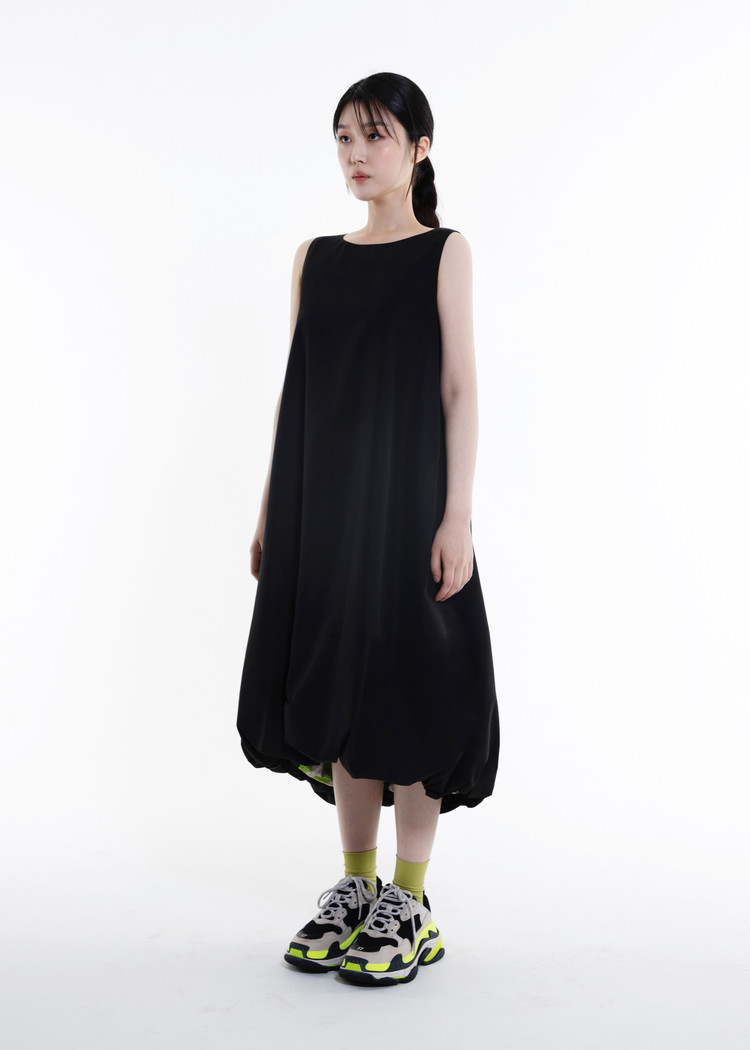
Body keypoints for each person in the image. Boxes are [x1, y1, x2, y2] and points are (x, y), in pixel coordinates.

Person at [236, 71, 500, 986]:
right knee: (340, 679)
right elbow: (298, 387)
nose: (356, 153)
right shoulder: (315, 257)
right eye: (344, 137)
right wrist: (272, 508)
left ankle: (410, 902)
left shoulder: (445, 252)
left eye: (375, 135)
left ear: (419, 149)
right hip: (323, 503)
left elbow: (461, 388)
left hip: (410, 499)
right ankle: (356, 887)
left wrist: (457, 514)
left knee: (413, 684)